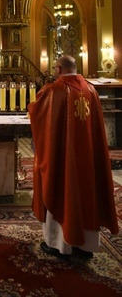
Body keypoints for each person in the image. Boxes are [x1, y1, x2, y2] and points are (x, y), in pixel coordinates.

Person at [28, 55, 119, 260]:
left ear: (59, 69)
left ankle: (60, 245)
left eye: (54, 68)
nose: (53, 71)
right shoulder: (91, 90)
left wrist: (31, 109)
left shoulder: (54, 91)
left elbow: (38, 114)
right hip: (87, 158)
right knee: (87, 192)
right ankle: (86, 245)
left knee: (62, 188)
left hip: (63, 159)